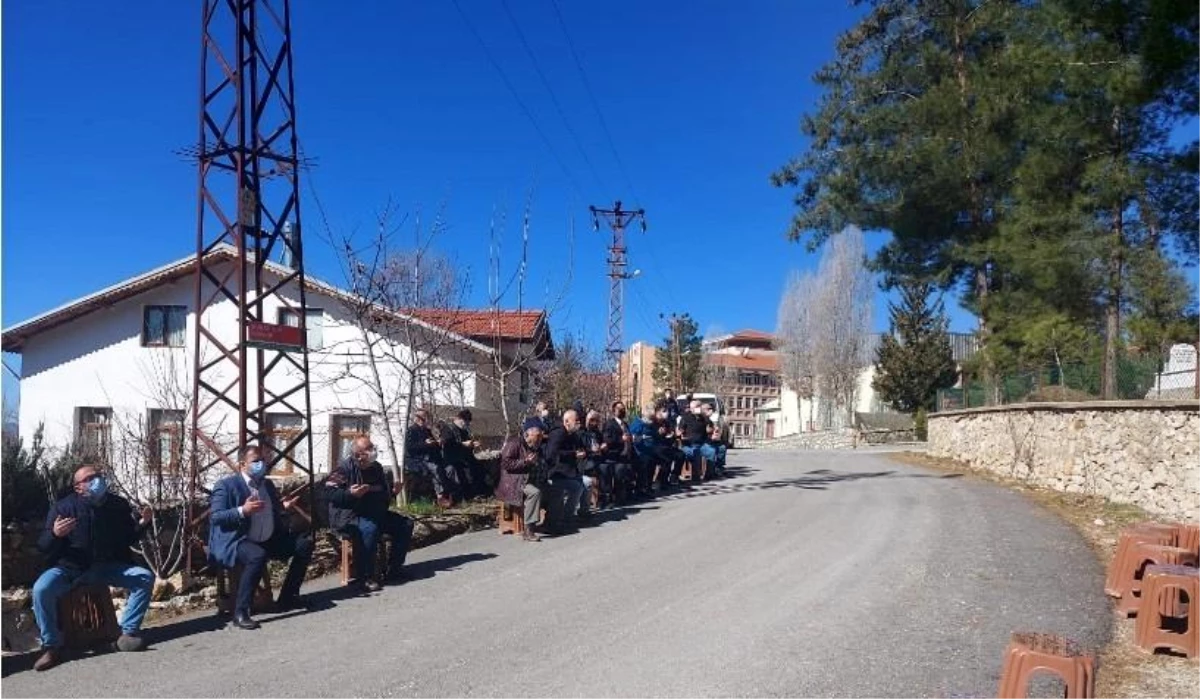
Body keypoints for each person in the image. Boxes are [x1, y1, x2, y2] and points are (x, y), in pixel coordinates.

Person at [31, 465, 155, 671]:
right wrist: (55, 534)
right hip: (70, 568)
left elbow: (128, 537)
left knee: (143, 577)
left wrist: (143, 522)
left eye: (98, 476)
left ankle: (128, 633)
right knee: (41, 589)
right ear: (78, 487)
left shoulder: (117, 505)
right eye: (89, 478)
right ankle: (52, 646)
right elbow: (43, 546)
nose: (96, 480)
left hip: (107, 567)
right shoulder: (64, 508)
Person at [208, 446, 314, 630]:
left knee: (304, 545)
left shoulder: (268, 485)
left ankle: (288, 597)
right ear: (242, 464)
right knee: (256, 555)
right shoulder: (227, 485)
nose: (261, 465)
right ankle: (241, 612)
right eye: (255, 461)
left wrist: (283, 508)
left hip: (267, 537)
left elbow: (272, 511)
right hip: (237, 540)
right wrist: (242, 511)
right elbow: (216, 517)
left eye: (262, 461)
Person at [326, 436, 415, 591]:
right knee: (369, 529)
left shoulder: (376, 468)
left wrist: (393, 492)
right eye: (369, 448)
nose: (373, 450)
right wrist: (350, 494)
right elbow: (328, 493)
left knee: (405, 524)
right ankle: (365, 576)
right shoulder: (343, 469)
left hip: (375, 513)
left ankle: (394, 569)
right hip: (349, 516)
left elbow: (382, 496)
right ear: (359, 454)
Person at [496, 424, 547, 542]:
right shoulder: (514, 443)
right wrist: (525, 462)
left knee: (553, 490)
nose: (540, 439)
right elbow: (505, 464)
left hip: (527, 479)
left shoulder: (534, 446)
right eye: (537, 436)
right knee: (535, 493)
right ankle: (529, 529)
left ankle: (551, 522)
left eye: (540, 437)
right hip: (514, 481)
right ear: (527, 434)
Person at [543, 409, 587, 533]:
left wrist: (582, 452)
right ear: (567, 421)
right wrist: (573, 454)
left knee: (584, 484)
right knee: (576, 487)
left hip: (568, 471)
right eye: (576, 420)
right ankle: (563, 519)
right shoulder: (559, 433)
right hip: (555, 473)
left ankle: (572, 516)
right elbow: (552, 454)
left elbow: (580, 448)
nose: (578, 423)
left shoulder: (572, 434)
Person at [405, 409, 456, 508]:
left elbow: (433, 446)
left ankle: (451, 494)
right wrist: (425, 444)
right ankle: (440, 497)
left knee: (450, 469)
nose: (425, 420)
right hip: (418, 459)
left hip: (432, 457)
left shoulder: (427, 431)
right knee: (436, 469)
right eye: (423, 418)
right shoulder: (411, 430)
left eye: (426, 418)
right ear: (417, 419)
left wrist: (438, 443)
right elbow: (410, 448)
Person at [443, 409, 485, 499]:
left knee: (479, 468)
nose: (466, 424)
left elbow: (467, 444)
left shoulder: (464, 431)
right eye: (465, 422)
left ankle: (477, 493)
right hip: (452, 458)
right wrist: (462, 444)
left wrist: (473, 444)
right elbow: (447, 444)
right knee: (463, 472)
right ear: (459, 419)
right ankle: (465, 496)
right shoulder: (448, 429)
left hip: (464, 457)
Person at [602, 401, 638, 502]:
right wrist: (620, 439)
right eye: (619, 409)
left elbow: (628, 437)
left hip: (628, 454)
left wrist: (631, 439)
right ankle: (616, 496)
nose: (622, 411)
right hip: (615, 455)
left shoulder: (625, 424)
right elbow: (607, 440)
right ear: (614, 411)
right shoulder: (610, 424)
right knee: (620, 470)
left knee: (641, 463)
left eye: (623, 409)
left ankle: (634, 492)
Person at [678, 400, 716, 484]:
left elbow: (710, 427)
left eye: (698, 407)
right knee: (696, 452)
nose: (697, 409)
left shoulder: (703, 418)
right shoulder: (685, 418)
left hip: (702, 444)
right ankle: (696, 477)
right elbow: (680, 431)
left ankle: (708, 475)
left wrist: (710, 430)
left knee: (711, 451)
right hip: (689, 445)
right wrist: (681, 435)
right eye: (695, 407)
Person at [701, 403, 728, 478]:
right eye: (708, 409)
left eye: (711, 409)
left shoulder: (712, 419)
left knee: (722, 447)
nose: (711, 411)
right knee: (711, 450)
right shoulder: (702, 419)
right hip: (702, 441)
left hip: (710, 440)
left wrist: (716, 433)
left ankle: (718, 467)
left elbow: (716, 429)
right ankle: (710, 470)